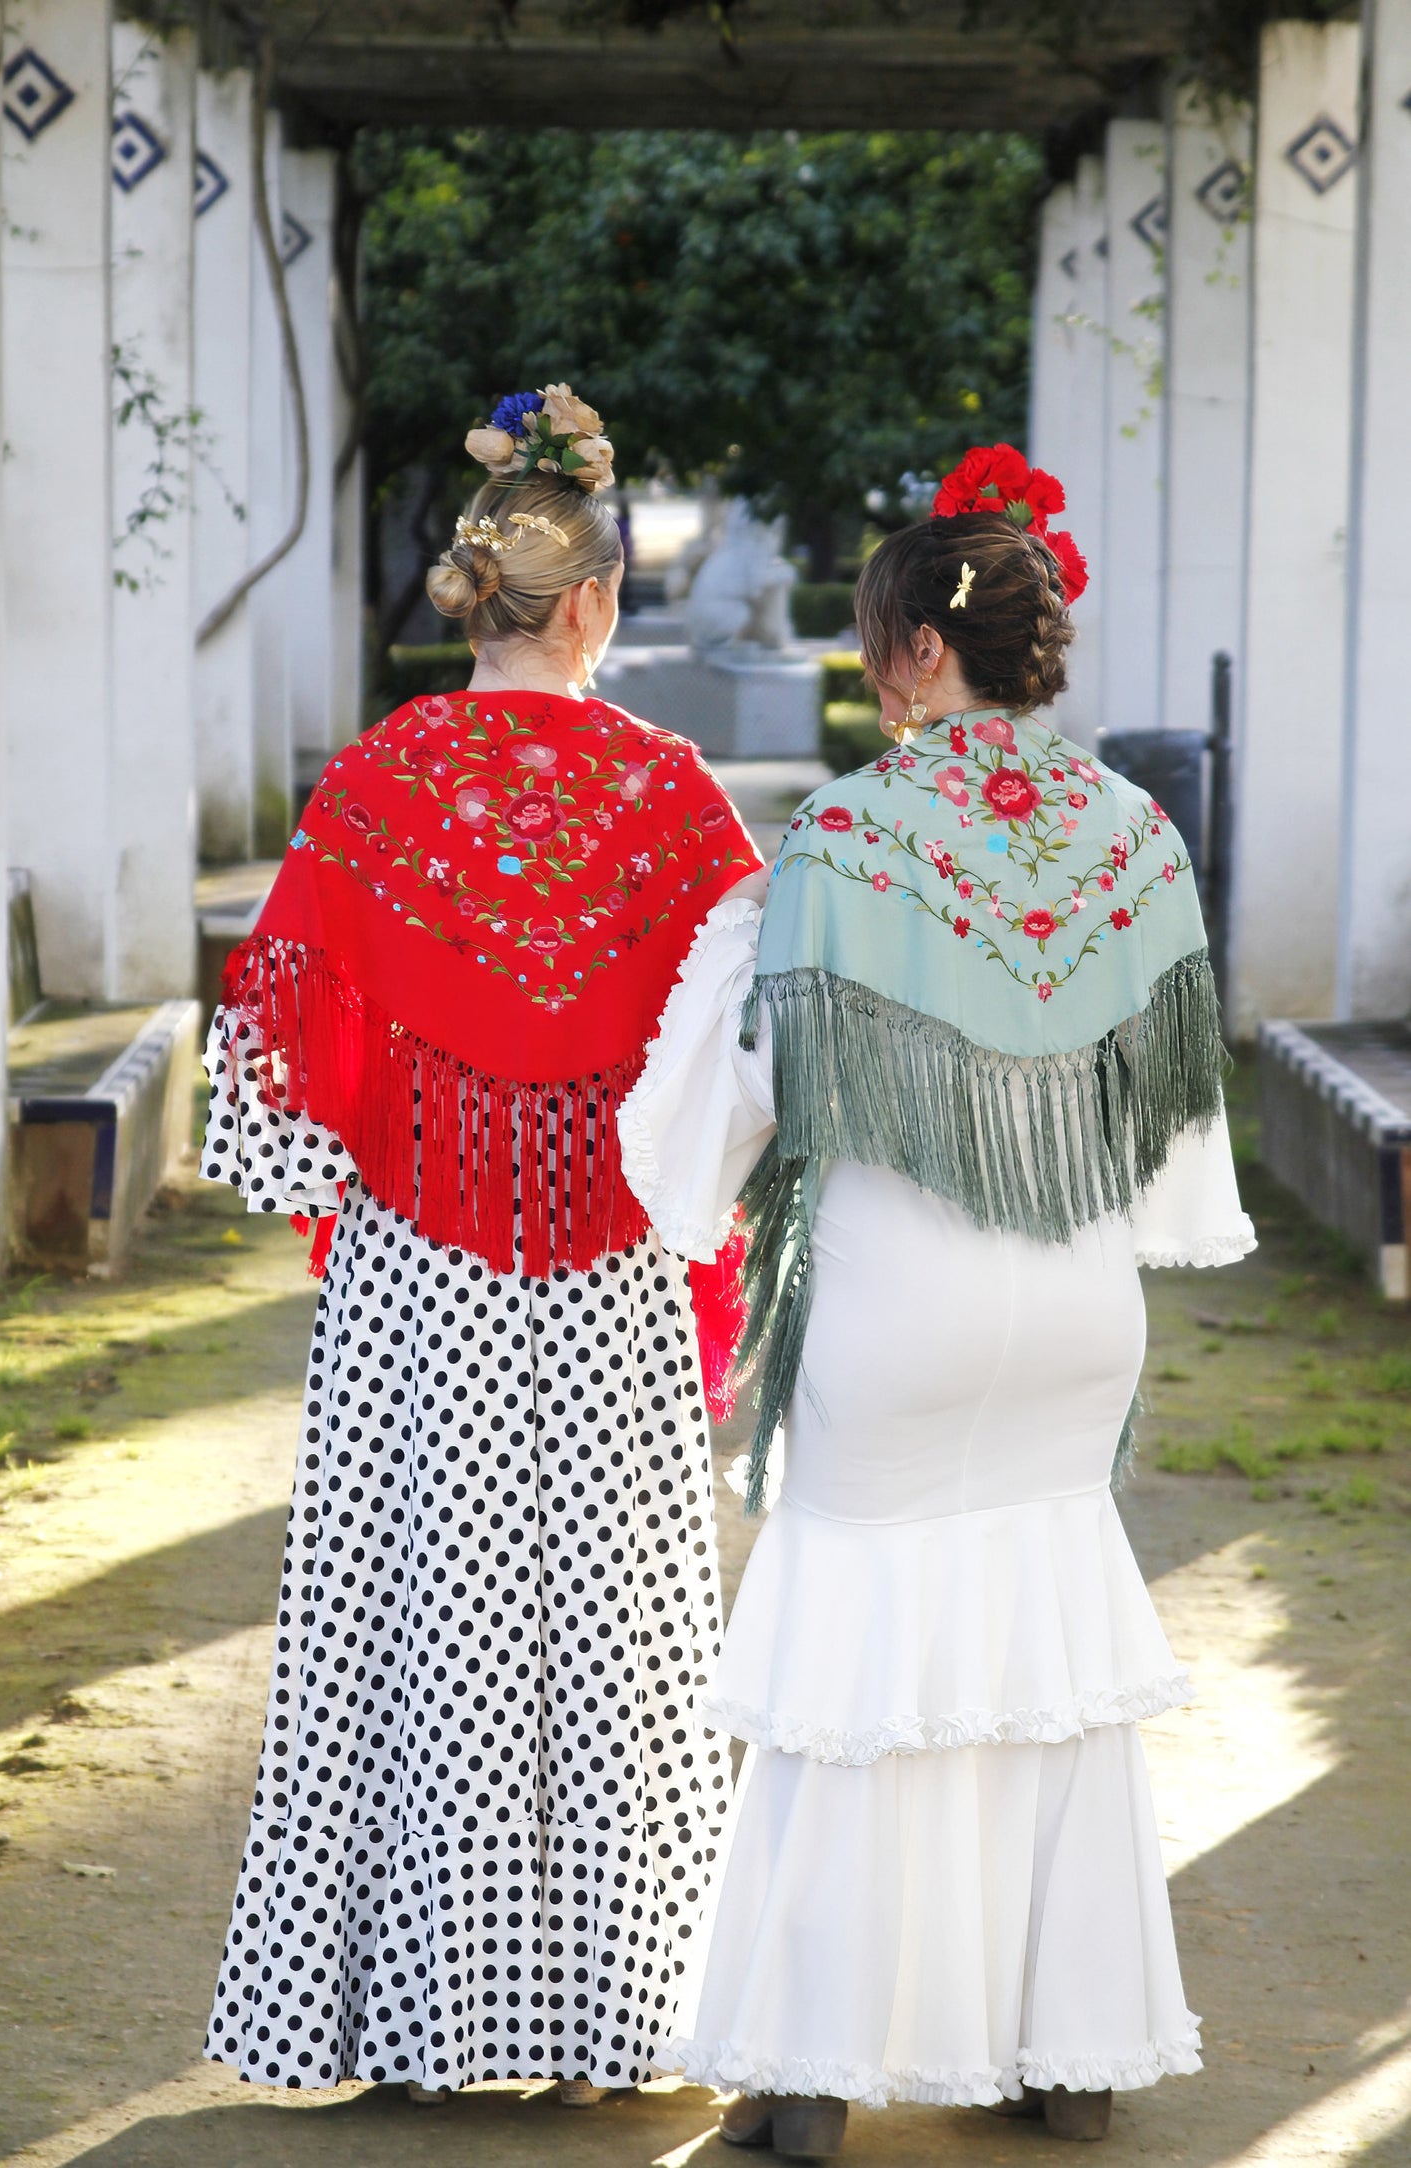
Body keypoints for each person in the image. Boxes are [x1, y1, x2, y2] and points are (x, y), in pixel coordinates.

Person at [618, 444, 1256, 2157]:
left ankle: (808, 2081)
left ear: (910, 651)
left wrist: (682, 1179)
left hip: (897, 1315)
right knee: (1047, 1666)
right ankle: (1072, 2065)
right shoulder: (1130, 832)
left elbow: (729, 1096)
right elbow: (1174, 1124)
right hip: (1071, 1313)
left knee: (857, 1670)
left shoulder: (840, 835)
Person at [198, 386, 760, 2104]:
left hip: (416, 1267)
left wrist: (383, 1153)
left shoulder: (375, 782)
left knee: (409, 1616)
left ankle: (424, 2026)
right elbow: (736, 1064)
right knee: (609, 1627)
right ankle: (613, 2021)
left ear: (476, 597)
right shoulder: (671, 798)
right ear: (593, 599)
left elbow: (275, 1052)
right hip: (599, 1269)